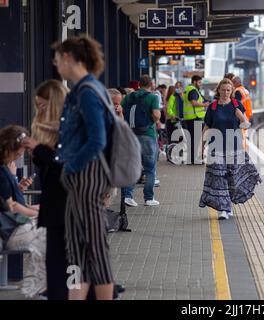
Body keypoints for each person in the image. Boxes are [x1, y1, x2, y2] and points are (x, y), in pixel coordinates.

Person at [52, 35, 114, 300]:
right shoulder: (82, 91)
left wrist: (72, 167)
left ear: (68, 58)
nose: (56, 66)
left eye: (57, 61)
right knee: (75, 248)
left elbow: (98, 139)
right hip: (78, 179)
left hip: (85, 177)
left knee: (96, 247)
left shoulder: (88, 93)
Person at [22, 80, 69, 300]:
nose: (39, 111)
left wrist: (39, 149)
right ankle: (58, 291)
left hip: (68, 205)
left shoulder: (70, 127)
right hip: (55, 206)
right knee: (56, 258)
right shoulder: (57, 129)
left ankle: (68, 293)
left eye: (43, 106)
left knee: (67, 259)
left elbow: (64, 165)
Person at [199, 79, 262, 220]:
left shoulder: (236, 105)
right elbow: (207, 127)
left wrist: (241, 117)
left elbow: (246, 125)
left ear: (232, 91)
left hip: (234, 147)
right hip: (216, 148)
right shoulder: (213, 107)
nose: (225, 92)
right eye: (223, 90)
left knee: (232, 178)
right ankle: (224, 209)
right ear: (218, 90)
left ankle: (228, 206)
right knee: (219, 178)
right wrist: (201, 146)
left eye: (228, 90)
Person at [0, 125, 46, 298]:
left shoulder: (6, 169)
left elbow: (11, 202)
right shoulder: (4, 171)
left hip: (12, 226)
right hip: (11, 229)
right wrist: (36, 212)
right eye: (22, 149)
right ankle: (46, 286)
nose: (23, 154)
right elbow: (12, 207)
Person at [121, 75, 161, 207]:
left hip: (131, 134)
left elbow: (120, 110)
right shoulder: (153, 97)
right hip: (147, 134)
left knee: (132, 166)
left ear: (139, 84)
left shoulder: (130, 96)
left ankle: (127, 196)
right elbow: (156, 114)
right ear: (151, 84)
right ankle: (149, 198)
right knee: (150, 169)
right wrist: (155, 120)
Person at [182, 76, 209, 165]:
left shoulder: (187, 89)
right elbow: (194, 102)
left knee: (191, 140)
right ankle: (195, 160)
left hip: (188, 118)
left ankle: (190, 159)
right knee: (196, 140)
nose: (200, 84)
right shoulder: (193, 90)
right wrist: (204, 105)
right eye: (199, 82)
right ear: (194, 82)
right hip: (195, 118)